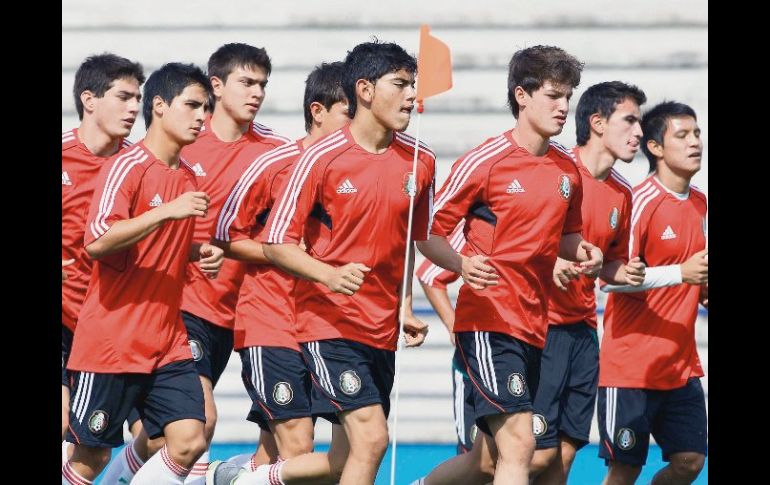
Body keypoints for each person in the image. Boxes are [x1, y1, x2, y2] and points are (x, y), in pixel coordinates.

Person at [208, 39, 433, 485]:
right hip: (300, 321)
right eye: (401, 84)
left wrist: (404, 302)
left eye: (413, 85)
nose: (411, 96)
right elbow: (256, 239)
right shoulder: (301, 160)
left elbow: (408, 238)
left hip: (371, 323)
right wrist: (326, 271)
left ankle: (247, 479)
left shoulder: (417, 159)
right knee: (348, 441)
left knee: (336, 461)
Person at [102, 43, 290, 485]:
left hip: (237, 309)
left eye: (263, 84)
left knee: (160, 438)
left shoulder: (274, 152)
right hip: (180, 306)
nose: (257, 92)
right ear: (217, 86)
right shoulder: (181, 140)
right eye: (246, 82)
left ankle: (123, 475)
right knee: (198, 425)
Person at [413, 45, 602, 484]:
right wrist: (461, 263)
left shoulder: (567, 170)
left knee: (485, 462)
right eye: (554, 95)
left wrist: (585, 252)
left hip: (535, 323)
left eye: (568, 95)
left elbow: (566, 237)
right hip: (488, 320)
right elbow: (427, 234)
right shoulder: (485, 161)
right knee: (520, 443)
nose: (564, 106)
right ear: (522, 95)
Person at [62, 62, 224, 485]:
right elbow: (97, 240)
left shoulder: (188, 176)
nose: (201, 117)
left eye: (206, 108)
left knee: (192, 436)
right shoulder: (126, 166)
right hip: (111, 338)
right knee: (89, 457)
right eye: (192, 105)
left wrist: (195, 252)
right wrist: (167, 212)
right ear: (162, 106)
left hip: (166, 337)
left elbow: (155, 247)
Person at [212, 61, 352, 480]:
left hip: (325, 325)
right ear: (318, 111)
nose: (355, 125)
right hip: (270, 322)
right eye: (349, 113)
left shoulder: (353, 170)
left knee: (273, 455)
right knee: (299, 448)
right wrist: (285, 252)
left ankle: (230, 477)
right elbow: (224, 236)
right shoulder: (276, 163)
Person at [528, 81, 648, 485]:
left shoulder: (623, 193)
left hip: (582, 331)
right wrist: (554, 260)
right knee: (532, 456)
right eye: (629, 121)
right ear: (597, 123)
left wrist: (625, 273)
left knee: (563, 454)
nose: (639, 134)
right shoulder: (555, 169)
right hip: (539, 327)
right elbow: (514, 239)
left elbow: (608, 264)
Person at [597, 101, 708, 485]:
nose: (695, 142)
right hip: (631, 367)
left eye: (696, 133)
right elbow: (609, 278)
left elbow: (696, 273)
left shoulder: (700, 203)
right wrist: (681, 273)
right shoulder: (638, 200)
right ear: (656, 148)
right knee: (626, 468)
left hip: (679, 366)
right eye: (682, 135)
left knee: (690, 461)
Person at [61, 53, 144, 444]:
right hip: (66, 318)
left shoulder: (139, 164)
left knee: (164, 438)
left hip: (119, 322)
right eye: (123, 97)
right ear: (89, 100)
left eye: (138, 99)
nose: (134, 108)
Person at [414, 222, 478, 455]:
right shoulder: (481, 222)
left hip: (534, 349)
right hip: (475, 357)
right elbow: (430, 276)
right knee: (478, 460)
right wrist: (453, 325)